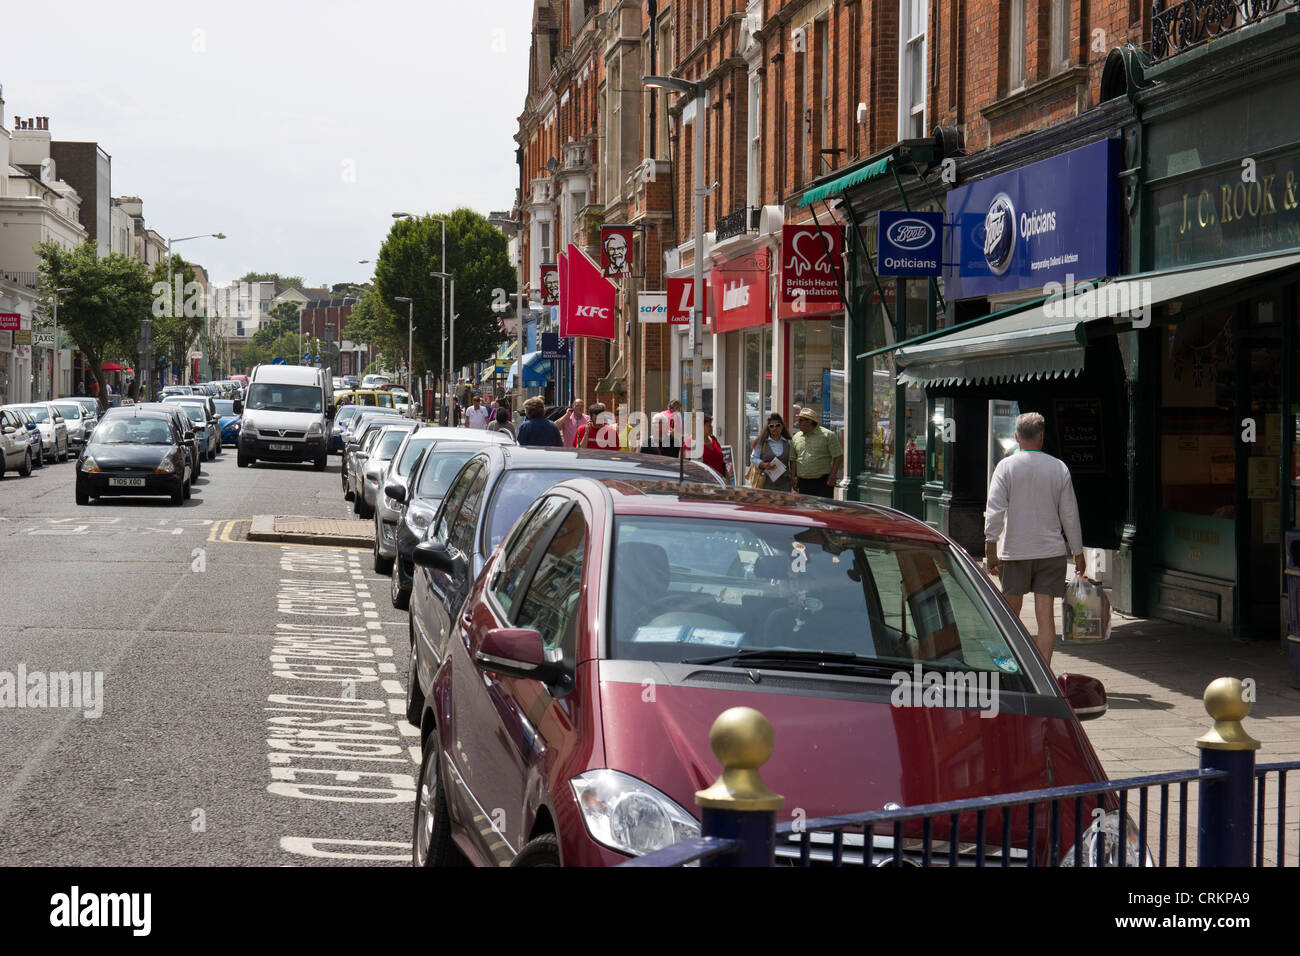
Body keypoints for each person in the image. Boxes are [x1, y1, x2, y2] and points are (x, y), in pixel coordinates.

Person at [983, 411, 1085, 668]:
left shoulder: (1005, 467)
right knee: (1045, 617)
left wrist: (990, 548)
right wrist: (1078, 552)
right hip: (1051, 552)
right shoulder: (1058, 468)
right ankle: (1044, 673)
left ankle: (1007, 669)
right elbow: (1069, 515)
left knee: (1009, 616)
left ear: (1017, 437)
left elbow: (995, 510)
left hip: (1016, 551)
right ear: (1041, 437)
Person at [790, 407, 841, 498]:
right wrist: (793, 477)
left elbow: (838, 456)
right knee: (805, 510)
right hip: (803, 483)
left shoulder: (828, 435)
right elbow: (793, 459)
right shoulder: (796, 437)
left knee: (822, 510)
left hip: (823, 482)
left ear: (809, 421)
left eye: (800, 420)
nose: (798, 423)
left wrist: (832, 476)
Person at [750, 413, 793, 491]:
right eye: (771, 426)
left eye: (778, 425)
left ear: (782, 427)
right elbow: (753, 458)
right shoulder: (762, 442)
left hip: (785, 484)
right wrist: (763, 464)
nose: (774, 428)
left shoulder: (789, 443)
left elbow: (793, 461)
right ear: (768, 428)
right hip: (766, 483)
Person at [682, 413, 727, 479]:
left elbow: (722, 463)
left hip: (719, 482)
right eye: (709, 425)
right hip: (702, 483)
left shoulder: (713, 440)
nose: (711, 427)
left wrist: (726, 479)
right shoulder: (690, 442)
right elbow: (684, 466)